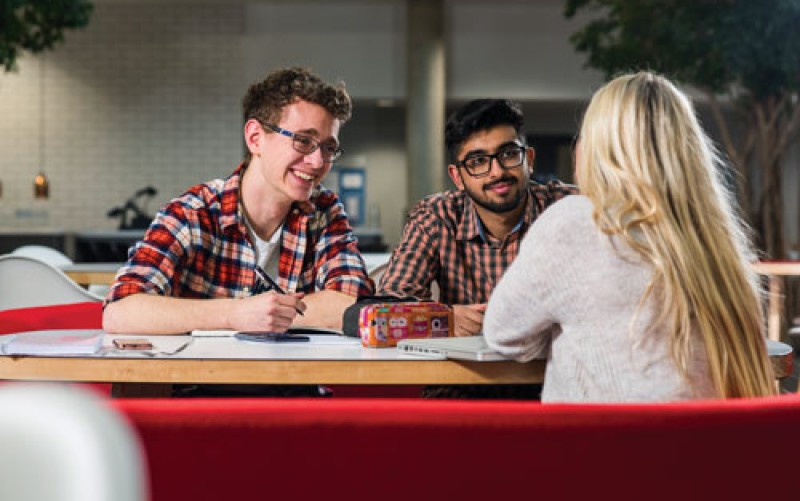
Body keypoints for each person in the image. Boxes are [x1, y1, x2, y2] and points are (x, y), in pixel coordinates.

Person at [484, 72, 775, 402]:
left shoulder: (574, 222)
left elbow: (502, 334)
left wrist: (563, 325)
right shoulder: (717, 247)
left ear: (596, 149)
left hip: (601, 449)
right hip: (709, 450)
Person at [103, 67, 373, 336]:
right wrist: (236, 314)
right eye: (303, 140)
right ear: (255, 138)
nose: (317, 162)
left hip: (293, 377)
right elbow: (121, 312)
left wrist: (271, 314)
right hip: (200, 377)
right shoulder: (193, 214)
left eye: (328, 147)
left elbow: (355, 307)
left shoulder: (324, 211)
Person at [378, 99, 577, 336]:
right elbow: (385, 310)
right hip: (466, 370)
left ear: (529, 160)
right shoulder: (436, 218)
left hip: (554, 365)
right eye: (478, 161)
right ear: (458, 177)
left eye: (509, 154)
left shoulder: (572, 208)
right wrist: (444, 319)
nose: (498, 172)